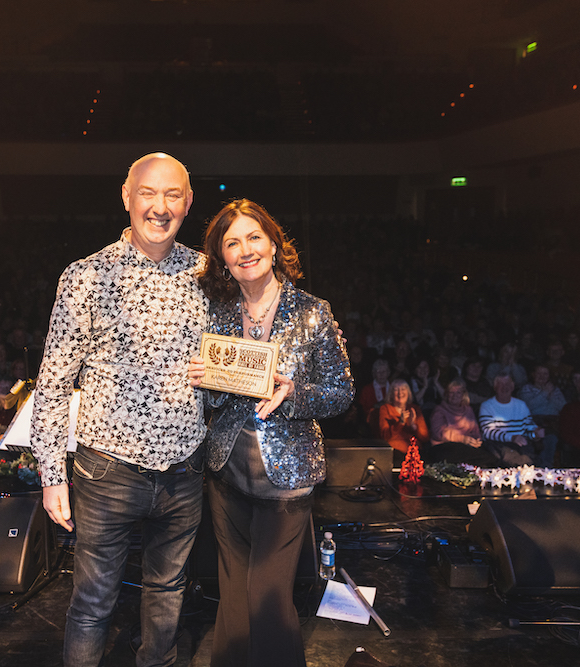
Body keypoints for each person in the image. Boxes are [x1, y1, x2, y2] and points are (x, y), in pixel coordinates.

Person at [30, 152, 208, 667]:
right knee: (92, 604)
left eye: (172, 195)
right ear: (126, 197)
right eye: (148, 193)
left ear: (188, 203)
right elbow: (54, 383)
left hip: (184, 469)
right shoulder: (86, 275)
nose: (159, 206)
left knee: (168, 592)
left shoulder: (205, 275)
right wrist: (51, 474)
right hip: (106, 470)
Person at [186, 199, 353, 667]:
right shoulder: (217, 314)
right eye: (231, 242)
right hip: (226, 476)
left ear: (275, 245)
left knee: (267, 595)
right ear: (222, 260)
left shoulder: (313, 313)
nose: (245, 250)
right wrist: (206, 380)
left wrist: (294, 393)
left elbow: (341, 393)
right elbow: (216, 403)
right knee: (234, 594)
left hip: (287, 479)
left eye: (253, 237)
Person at [478, 372, 544, 466]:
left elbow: (528, 427)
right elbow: (488, 432)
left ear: (512, 386)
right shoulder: (487, 406)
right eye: (501, 384)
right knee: (515, 459)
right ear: (495, 387)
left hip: (521, 444)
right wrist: (512, 438)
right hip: (498, 445)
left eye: (508, 384)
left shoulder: (521, 405)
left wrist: (536, 433)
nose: (505, 387)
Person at [428, 378, 498, 467]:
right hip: (444, 448)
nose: (454, 395)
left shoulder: (468, 410)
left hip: (466, 447)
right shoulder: (439, 410)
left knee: (488, 456)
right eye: (451, 392)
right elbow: (439, 433)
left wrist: (476, 440)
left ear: (463, 395)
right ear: (446, 394)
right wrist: (462, 439)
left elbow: (475, 430)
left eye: (458, 392)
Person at [368, 379, 429, 457]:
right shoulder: (385, 409)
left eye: (403, 389)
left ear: (408, 393)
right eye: (396, 390)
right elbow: (384, 436)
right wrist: (400, 423)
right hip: (394, 452)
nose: (400, 393)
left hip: (414, 453)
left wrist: (413, 426)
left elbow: (425, 438)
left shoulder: (415, 409)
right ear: (391, 394)